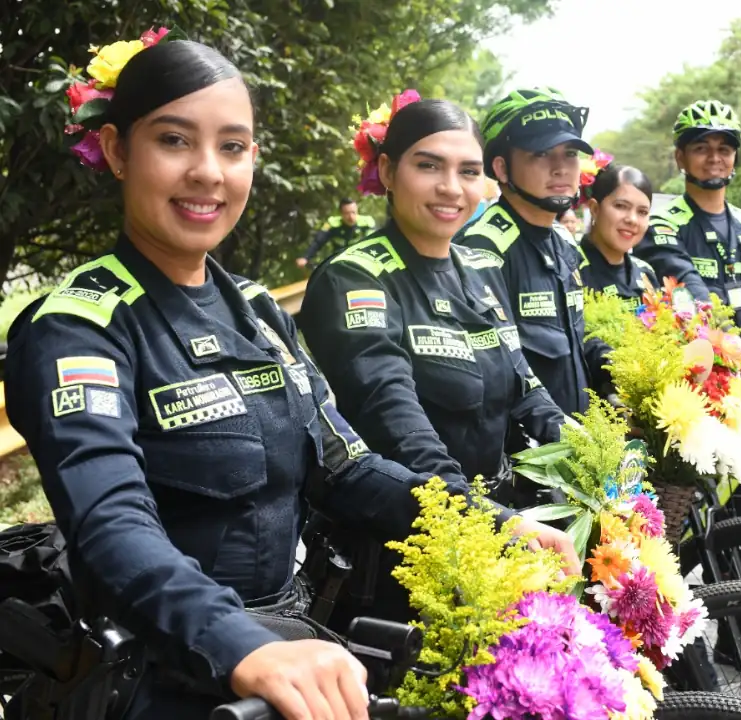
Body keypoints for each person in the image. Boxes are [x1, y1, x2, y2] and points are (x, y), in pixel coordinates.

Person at [5, 39, 574, 720]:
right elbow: (110, 520)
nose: (208, 172)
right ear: (120, 151)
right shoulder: (77, 325)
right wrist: (239, 642)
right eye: (175, 141)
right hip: (165, 674)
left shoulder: (257, 308)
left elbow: (348, 466)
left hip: (299, 650)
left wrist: (489, 524)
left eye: (233, 147)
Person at [299, 94, 563, 503]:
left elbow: (527, 388)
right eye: (428, 165)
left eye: (469, 171)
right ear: (387, 170)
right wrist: (476, 517)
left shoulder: (483, 267)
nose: (451, 188)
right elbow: (395, 420)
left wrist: (593, 454)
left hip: (497, 514)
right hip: (412, 531)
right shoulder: (353, 277)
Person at [455, 87, 609, 417]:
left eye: (570, 153)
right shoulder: (483, 248)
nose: (561, 168)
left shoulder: (565, 241)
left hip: (579, 446)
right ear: (501, 167)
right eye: (540, 154)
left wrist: (621, 380)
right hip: (525, 456)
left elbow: (578, 337)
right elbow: (496, 373)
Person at [633, 100, 741, 333]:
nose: (714, 158)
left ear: (735, 157)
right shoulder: (661, 225)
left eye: (724, 149)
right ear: (680, 157)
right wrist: (732, 347)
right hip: (702, 360)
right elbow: (690, 295)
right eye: (701, 148)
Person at [576, 163, 658, 306]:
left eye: (642, 212)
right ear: (594, 209)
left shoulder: (646, 272)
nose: (632, 220)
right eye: (620, 206)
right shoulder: (570, 268)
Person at [295, 198, 376, 268]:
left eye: (353, 212)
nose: (351, 217)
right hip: (338, 263)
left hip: (361, 262)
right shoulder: (332, 224)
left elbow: (373, 242)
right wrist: (305, 258)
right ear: (341, 214)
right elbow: (318, 242)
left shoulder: (367, 222)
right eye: (347, 213)